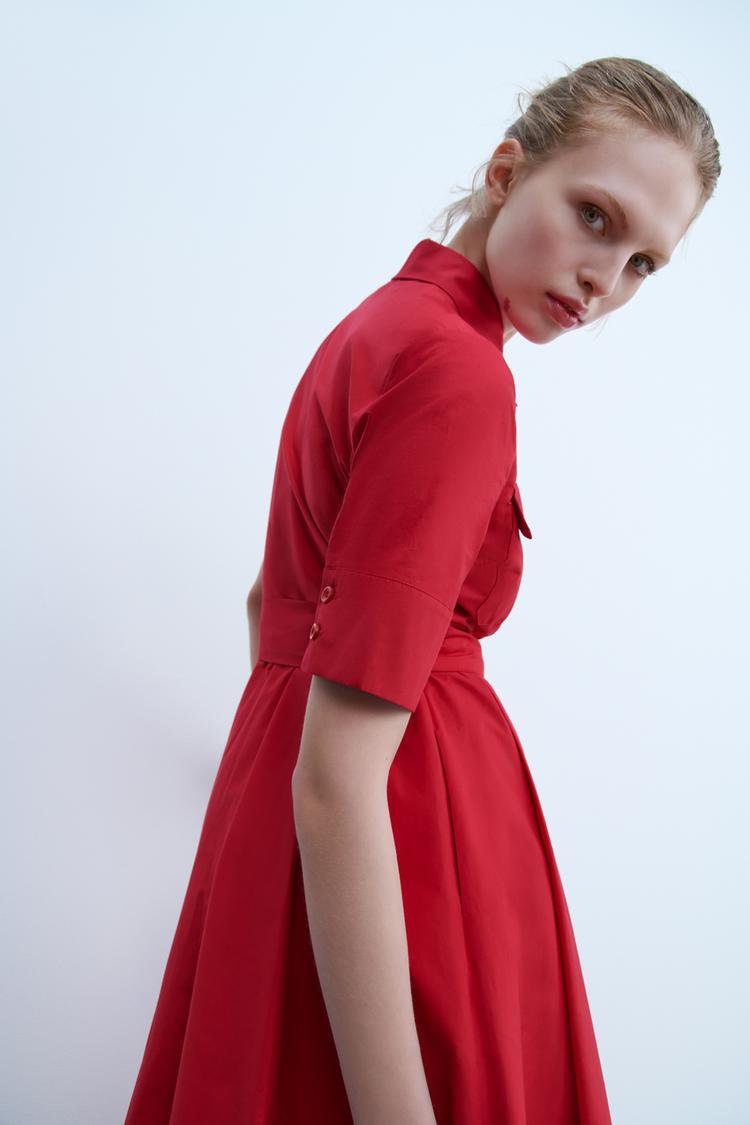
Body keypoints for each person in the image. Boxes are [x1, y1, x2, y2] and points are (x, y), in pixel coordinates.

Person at [124, 56, 720, 1125]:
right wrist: (325, 797)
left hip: (325, 823)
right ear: (505, 171)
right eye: (594, 216)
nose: (603, 278)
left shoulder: (381, 325)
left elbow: (270, 603)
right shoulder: (459, 372)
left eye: (642, 262)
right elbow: (337, 780)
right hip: (408, 843)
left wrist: (275, 815)